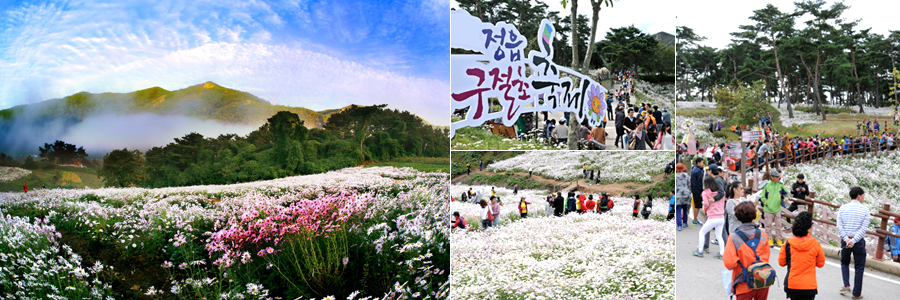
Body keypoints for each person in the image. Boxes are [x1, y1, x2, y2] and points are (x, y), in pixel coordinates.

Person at [724, 201, 772, 300]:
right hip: (763, 279)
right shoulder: (762, 234)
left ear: (738, 217)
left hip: (744, 283)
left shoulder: (734, 237)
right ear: (754, 216)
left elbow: (729, 264)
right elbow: (767, 255)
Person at [779, 211, 825, 300]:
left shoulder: (788, 243)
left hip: (792, 284)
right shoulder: (815, 244)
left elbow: (781, 262)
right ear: (808, 228)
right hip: (808, 286)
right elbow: (820, 264)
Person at [836, 187, 870, 300]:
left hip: (845, 240)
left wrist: (847, 239)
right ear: (859, 195)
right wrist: (854, 240)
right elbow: (863, 229)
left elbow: (839, 225)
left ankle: (846, 285)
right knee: (859, 267)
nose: (864, 197)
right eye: (863, 195)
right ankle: (856, 294)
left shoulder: (843, 208)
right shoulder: (865, 210)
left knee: (844, 262)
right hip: (858, 242)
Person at [693, 176, 726, 259]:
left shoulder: (705, 193)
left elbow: (706, 205)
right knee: (719, 236)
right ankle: (722, 253)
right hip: (721, 217)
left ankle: (700, 250)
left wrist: (705, 204)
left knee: (702, 232)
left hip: (712, 217)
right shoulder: (720, 193)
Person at [761, 169, 791, 247]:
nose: (778, 178)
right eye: (777, 177)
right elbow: (762, 196)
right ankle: (769, 238)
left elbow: (785, 192)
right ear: (772, 177)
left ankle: (778, 239)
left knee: (778, 225)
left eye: (778, 177)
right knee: (768, 225)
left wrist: (786, 197)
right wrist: (766, 202)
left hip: (777, 208)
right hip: (768, 209)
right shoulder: (767, 185)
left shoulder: (780, 185)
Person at [675, 163, 691, 231]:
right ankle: (684, 222)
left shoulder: (675, 177)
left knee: (678, 210)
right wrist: (689, 192)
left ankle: (679, 225)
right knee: (685, 209)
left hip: (678, 194)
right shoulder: (687, 176)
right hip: (685, 193)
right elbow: (689, 185)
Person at [691, 157, 706, 226]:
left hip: (694, 190)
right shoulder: (699, 171)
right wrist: (701, 192)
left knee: (697, 205)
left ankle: (695, 219)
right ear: (698, 163)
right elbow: (699, 182)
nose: (703, 163)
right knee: (697, 206)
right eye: (702, 162)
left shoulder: (694, 169)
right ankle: (695, 220)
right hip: (698, 191)